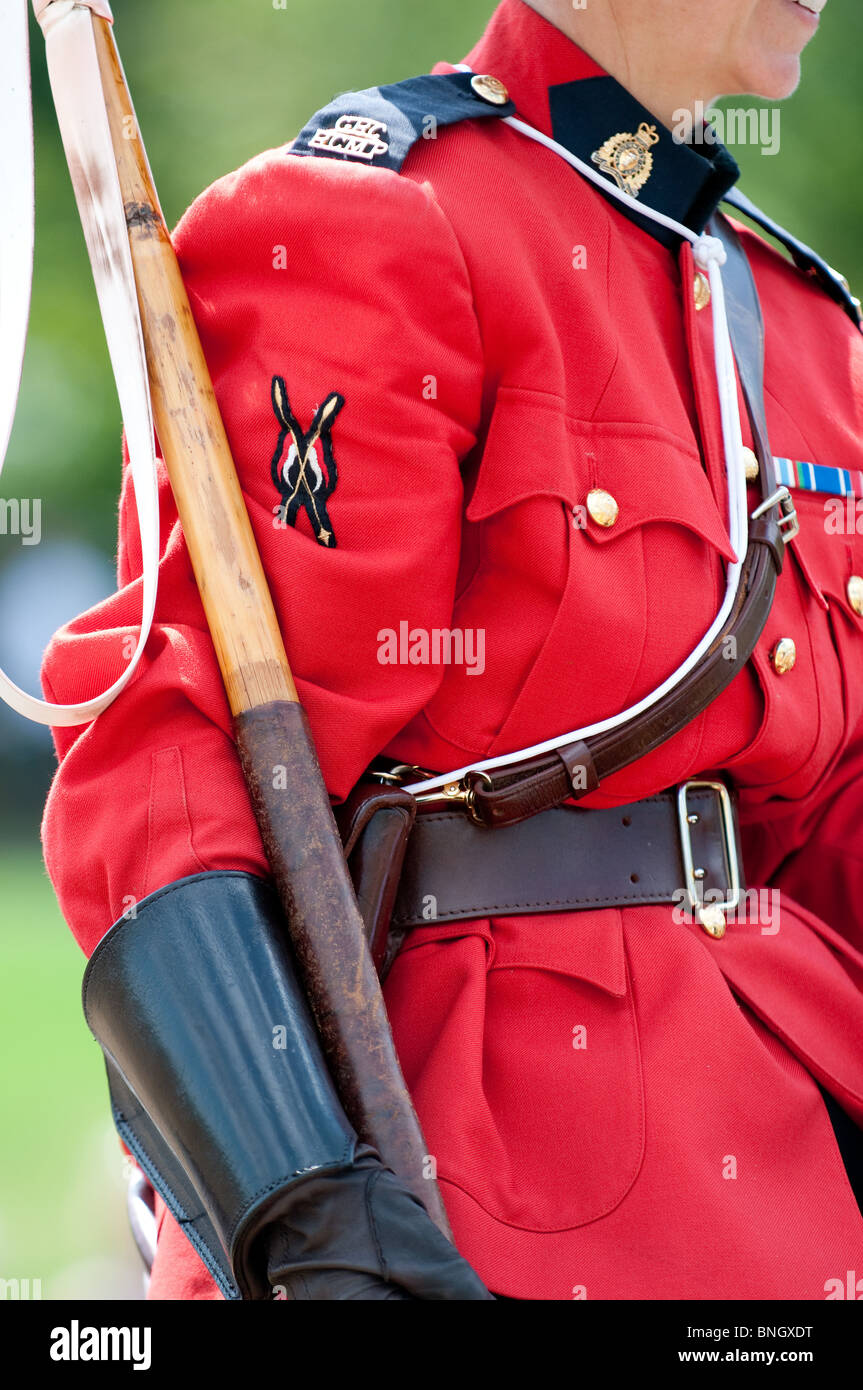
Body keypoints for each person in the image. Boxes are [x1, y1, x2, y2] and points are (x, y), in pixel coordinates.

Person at [41, 0, 863, 1300]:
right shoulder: (379, 219)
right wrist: (303, 1211)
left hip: (801, 1148)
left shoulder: (807, 330)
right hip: (464, 1182)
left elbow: (831, 817)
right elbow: (170, 753)